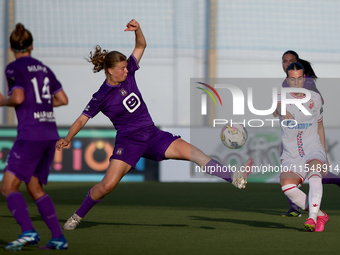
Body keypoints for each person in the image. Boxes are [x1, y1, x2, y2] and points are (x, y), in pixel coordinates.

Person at [56, 19, 253, 231]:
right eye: (121, 68)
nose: (126, 70)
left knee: (196, 154)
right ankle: (77, 216)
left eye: (125, 67)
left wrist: (137, 29)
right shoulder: (101, 96)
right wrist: (68, 138)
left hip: (152, 135)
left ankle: (233, 177)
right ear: (110, 70)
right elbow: (82, 119)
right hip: (129, 142)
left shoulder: (129, 74)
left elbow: (140, 46)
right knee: (107, 186)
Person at [0, 23, 69, 250]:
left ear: (12, 47)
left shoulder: (13, 68)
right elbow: (62, 99)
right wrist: (40, 105)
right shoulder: (43, 68)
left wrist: (4, 101)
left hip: (31, 134)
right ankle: (58, 238)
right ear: (32, 46)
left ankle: (28, 231)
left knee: (8, 187)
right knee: (34, 187)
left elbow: (17, 98)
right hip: (50, 133)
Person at [277, 50, 340, 217]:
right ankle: (299, 208)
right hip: (294, 138)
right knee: (291, 175)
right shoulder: (284, 85)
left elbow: (319, 102)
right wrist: (282, 110)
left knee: (315, 173)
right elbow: (277, 106)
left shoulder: (306, 83)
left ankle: (309, 211)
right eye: (284, 61)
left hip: (309, 137)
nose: (286, 63)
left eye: (290, 61)